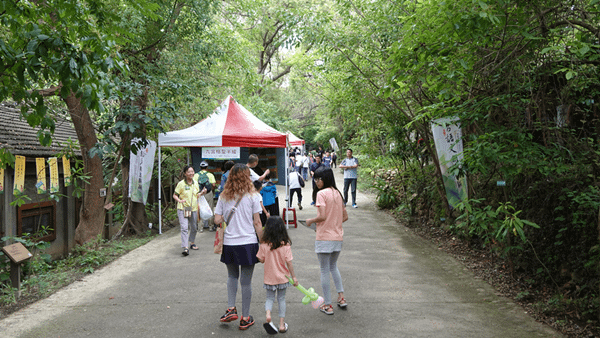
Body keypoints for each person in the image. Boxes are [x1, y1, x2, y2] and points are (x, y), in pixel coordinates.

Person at [214, 163, 264, 330]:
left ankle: (230, 308)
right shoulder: (254, 196)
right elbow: (257, 222)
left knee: (232, 277)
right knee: (246, 282)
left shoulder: (223, 196)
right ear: (247, 177)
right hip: (248, 242)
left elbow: (217, 220)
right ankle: (245, 318)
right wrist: (262, 243)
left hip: (230, 243)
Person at [305, 167, 348, 315]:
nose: (316, 182)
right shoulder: (338, 193)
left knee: (324, 269)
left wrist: (311, 221)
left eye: (319, 179)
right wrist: (334, 222)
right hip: (337, 237)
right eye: (315, 179)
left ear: (326, 178)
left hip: (324, 237)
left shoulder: (321, 194)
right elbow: (345, 217)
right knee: (333, 266)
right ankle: (341, 297)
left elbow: (322, 216)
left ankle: (328, 305)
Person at [256, 216, 298, 334]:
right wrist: (293, 277)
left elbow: (261, 259)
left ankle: (268, 314)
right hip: (283, 278)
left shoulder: (264, 245)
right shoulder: (285, 245)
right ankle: (281, 325)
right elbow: (289, 262)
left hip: (269, 278)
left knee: (269, 298)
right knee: (281, 299)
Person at [173, 165, 207, 256]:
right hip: (183, 208)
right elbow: (175, 195)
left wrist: (202, 193)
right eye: (189, 172)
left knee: (194, 227)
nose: (191, 173)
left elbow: (197, 195)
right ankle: (185, 248)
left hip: (193, 209)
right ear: (185, 173)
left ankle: (192, 243)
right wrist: (179, 200)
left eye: (192, 171)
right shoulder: (181, 184)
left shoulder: (195, 183)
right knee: (184, 228)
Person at [213, 160, 235, 231]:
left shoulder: (224, 175)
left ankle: (223, 226)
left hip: (226, 195)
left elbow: (222, 186)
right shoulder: (236, 174)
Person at [195, 161, 216, 232]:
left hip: (199, 194)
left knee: (200, 209)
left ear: (200, 167)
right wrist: (210, 190)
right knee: (210, 208)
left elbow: (194, 185)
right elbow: (213, 185)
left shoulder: (196, 175)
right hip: (208, 193)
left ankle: (200, 227)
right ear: (207, 167)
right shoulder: (210, 175)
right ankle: (211, 226)